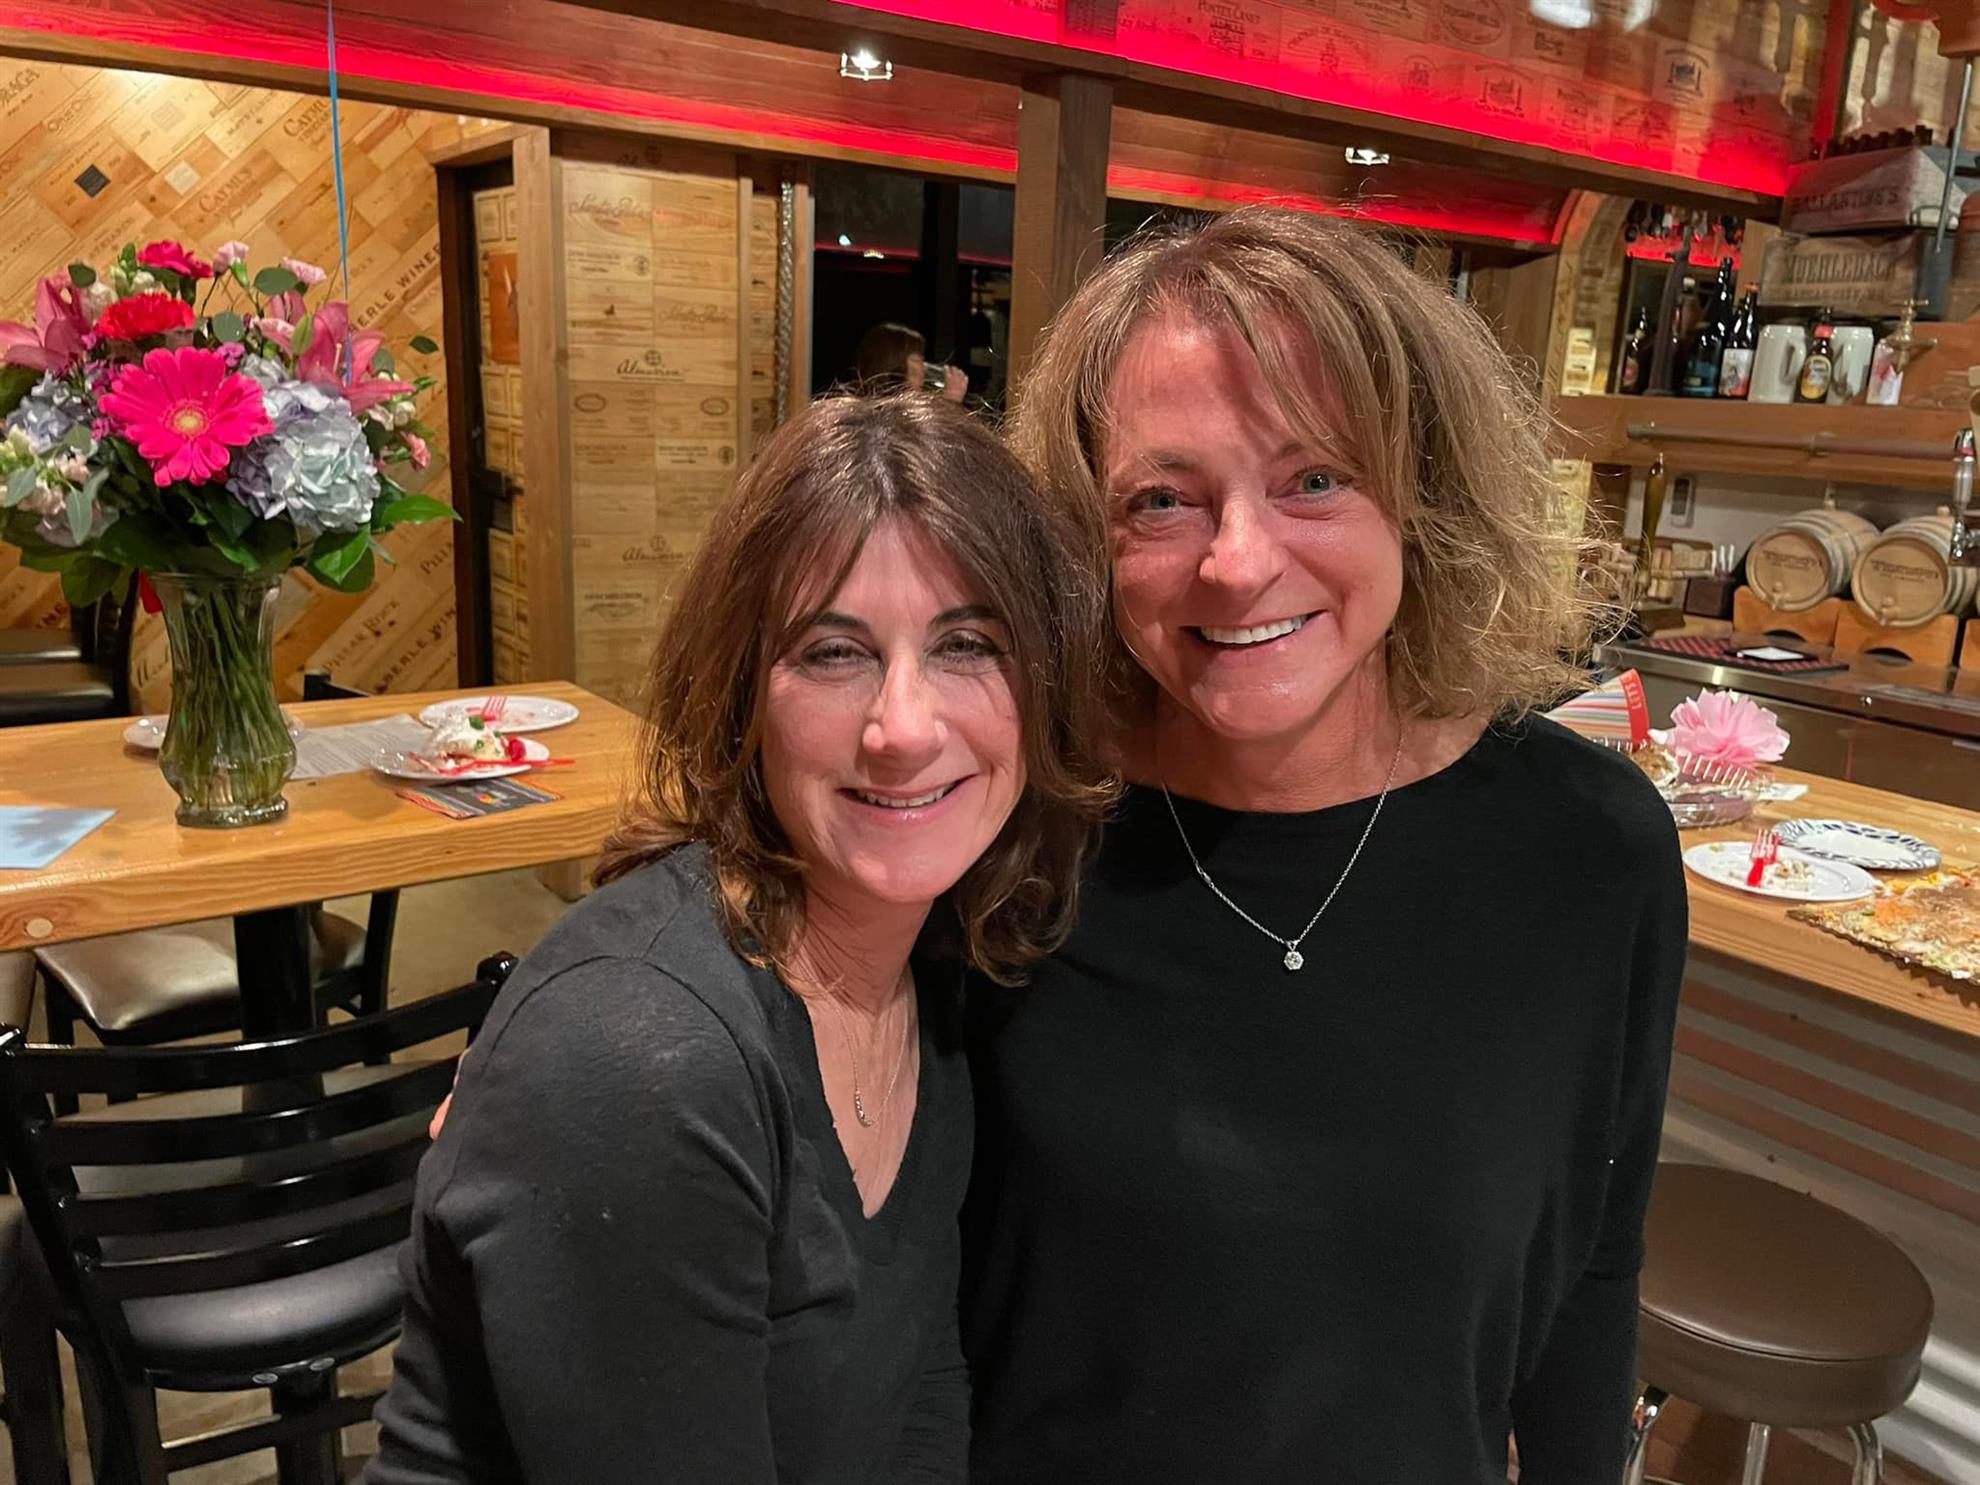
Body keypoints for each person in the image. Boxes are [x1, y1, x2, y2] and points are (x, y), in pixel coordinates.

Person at [961, 208, 1686, 1484]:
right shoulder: (1013, 824)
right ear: (1083, 539)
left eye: (1314, 479)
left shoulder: (1590, 851)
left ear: (1424, 491)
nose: (1238, 565)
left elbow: (1591, 1264)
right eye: (1163, 500)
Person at [364, 393, 1113, 1484]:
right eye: (834, 653)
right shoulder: (645, 1058)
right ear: (740, 697)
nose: (902, 728)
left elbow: (922, 1389)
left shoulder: (933, 973)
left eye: (968, 645)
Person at [855, 321, 969, 403]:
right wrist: (950, 403)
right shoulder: (883, 415)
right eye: (918, 359)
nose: (924, 367)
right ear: (895, 364)